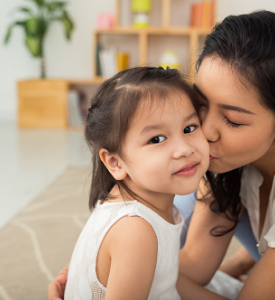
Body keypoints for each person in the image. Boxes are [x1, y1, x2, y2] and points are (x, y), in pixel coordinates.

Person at [49, 11, 275, 300]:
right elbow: (194, 264)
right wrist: (100, 271)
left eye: (232, 120)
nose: (205, 132)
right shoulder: (229, 157)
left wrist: (152, 278)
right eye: (200, 106)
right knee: (171, 185)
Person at [61, 66, 228, 300]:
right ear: (115, 162)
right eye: (156, 139)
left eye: (189, 128)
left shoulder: (148, 202)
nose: (184, 149)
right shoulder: (135, 229)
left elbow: (168, 280)